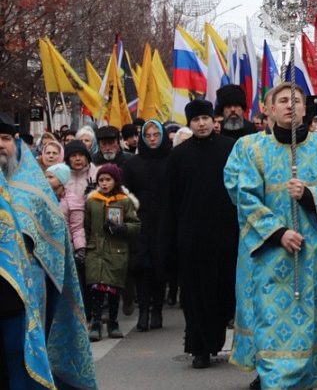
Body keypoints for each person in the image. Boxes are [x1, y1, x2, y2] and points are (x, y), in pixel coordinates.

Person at [224, 82, 317, 389]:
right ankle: (275, 380)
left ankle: (315, 374)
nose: (289, 106)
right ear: (269, 110)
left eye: (296, 101)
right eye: (282, 101)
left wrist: (310, 194)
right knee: (273, 324)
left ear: (304, 109)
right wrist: (279, 232)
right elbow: (244, 196)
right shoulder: (250, 149)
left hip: (316, 256)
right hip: (270, 256)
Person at [0, 115, 97, 388]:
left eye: (5, 138)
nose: (0, 145)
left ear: (16, 144)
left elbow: (55, 246)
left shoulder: (34, 193)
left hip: (22, 300)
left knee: (21, 364)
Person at [163, 99, 238, 369]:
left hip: (226, 234)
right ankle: (199, 348)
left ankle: (218, 339)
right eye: (196, 120)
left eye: (206, 118)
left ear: (213, 120)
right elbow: (171, 200)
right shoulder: (178, 156)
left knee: (222, 291)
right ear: (190, 123)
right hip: (191, 236)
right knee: (195, 295)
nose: (202, 124)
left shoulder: (231, 149)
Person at [123, 121, 172, 332]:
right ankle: (143, 310)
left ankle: (157, 310)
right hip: (140, 222)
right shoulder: (133, 163)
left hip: (164, 221)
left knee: (160, 267)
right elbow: (125, 192)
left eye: (156, 135)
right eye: (148, 135)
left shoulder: (171, 160)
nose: (152, 138)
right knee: (142, 267)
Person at [84, 164, 140, 341]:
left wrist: (122, 228)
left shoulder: (124, 201)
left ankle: (114, 322)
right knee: (96, 289)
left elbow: (136, 225)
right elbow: (86, 226)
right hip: (96, 251)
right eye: (101, 180)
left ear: (115, 181)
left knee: (113, 290)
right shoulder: (92, 201)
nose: (104, 183)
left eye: (108, 179)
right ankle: (96, 323)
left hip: (116, 251)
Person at [46, 163, 86, 266]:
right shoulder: (42, 197)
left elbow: (77, 227)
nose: (46, 180)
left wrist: (80, 248)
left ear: (61, 180)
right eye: (45, 177)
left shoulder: (72, 200)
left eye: (50, 177)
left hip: (64, 245)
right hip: (46, 244)